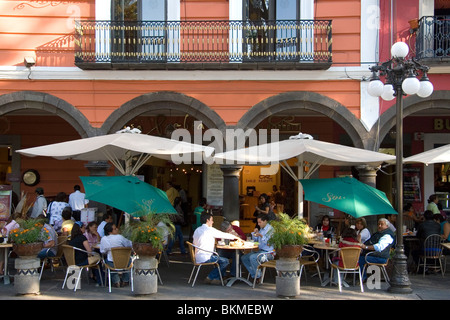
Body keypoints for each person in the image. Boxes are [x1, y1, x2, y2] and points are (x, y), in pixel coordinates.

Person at [192, 212, 240, 285]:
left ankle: (217, 279)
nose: (213, 222)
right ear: (207, 220)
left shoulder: (197, 230)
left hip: (197, 256)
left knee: (220, 258)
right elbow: (223, 235)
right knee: (225, 261)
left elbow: (194, 243)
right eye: (212, 220)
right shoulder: (210, 230)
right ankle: (210, 277)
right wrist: (235, 237)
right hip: (207, 256)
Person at [241, 214, 274, 283]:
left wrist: (261, 235)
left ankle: (257, 277)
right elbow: (256, 241)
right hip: (260, 251)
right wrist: (255, 234)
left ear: (265, 221)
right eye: (257, 222)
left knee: (253, 257)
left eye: (260, 222)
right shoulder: (261, 229)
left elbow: (269, 243)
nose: (258, 224)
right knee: (244, 257)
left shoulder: (270, 230)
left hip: (268, 253)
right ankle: (255, 275)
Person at [68, 221, 103, 286]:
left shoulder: (72, 239)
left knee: (95, 259)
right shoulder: (83, 238)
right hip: (82, 261)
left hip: (72, 261)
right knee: (98, 260)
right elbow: (89, 251)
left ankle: (94, 276)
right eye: (84, 228)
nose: (85, 229)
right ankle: (100, 280)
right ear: (80, 229)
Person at [99, 222, 133, 287]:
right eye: (115, 229)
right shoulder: (120, 237)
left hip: (112, 262)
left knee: (108, 262)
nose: (117, 229)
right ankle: (125, 280)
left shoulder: (104, 239)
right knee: (129, 260)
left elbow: (102, 251)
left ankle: (116, 281)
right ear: (110, 231)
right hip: (124, 262)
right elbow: (129, 244)